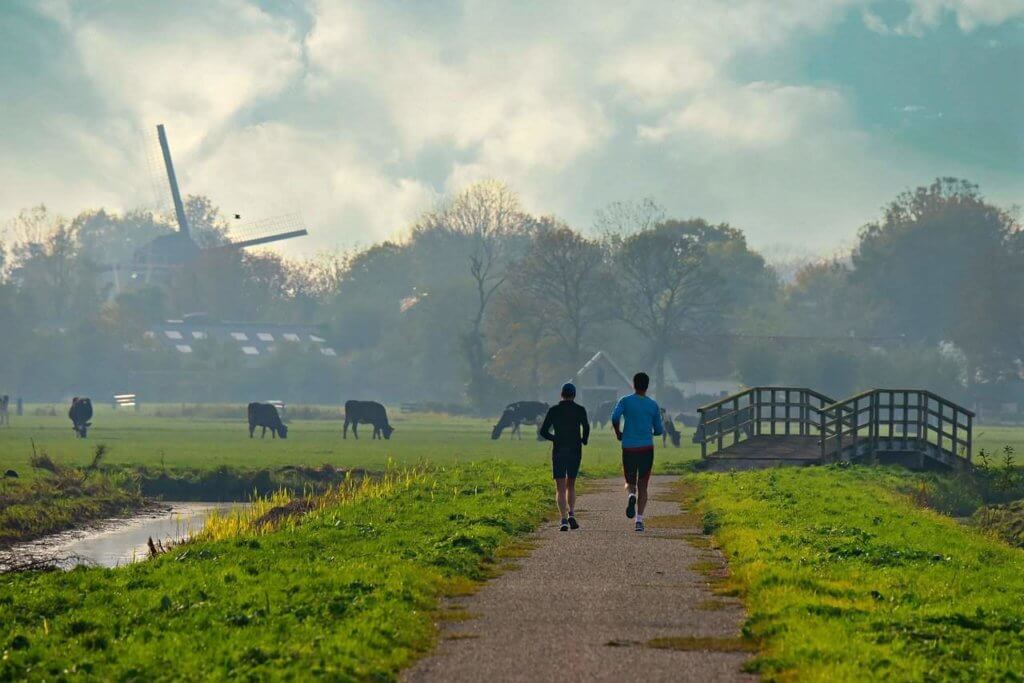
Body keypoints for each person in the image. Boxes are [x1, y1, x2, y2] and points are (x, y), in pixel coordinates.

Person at [611, 372, 663, 532]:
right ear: (647, 386)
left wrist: (618, 432)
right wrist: (651, 431)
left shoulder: (625, 401)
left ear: (633, 385)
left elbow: (615, 417)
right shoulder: (653, 405)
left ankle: (631, 495)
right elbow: (659, 430)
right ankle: (639, 521)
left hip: (629, 447)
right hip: (646, 448)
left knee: (630, 481)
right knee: (643, 484)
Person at [539, 382, 590, 531]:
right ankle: (571, 513)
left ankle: (563, 519)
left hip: (559, 450)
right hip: (575, 449)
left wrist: (555, 438)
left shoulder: (554, 410)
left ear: (561, 394)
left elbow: (543, 431)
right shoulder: (580, 409)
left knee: (560, 487)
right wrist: (584, 440)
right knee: (571, 484)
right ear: (574, 395)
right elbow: (586, 427)